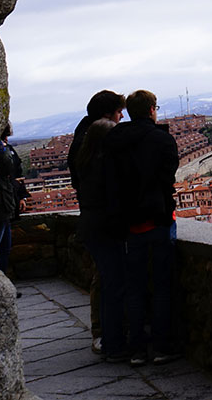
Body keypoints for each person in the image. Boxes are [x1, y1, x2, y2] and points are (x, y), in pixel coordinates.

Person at [105, 89, 179, 366]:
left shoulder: (114, 140)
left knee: (133, 288)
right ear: (151, 110)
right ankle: (161, 346)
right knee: (161, 286)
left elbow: (109, 182)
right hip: (157, 220)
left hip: (127, 224)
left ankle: (136, 349)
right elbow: (167, 177)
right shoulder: (161, 140)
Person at [68, 90, 125, 354]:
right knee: (106, 279)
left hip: (92, 221)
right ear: (106, 116)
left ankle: (105, 333)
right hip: (101, 222)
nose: (121, 117)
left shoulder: (84, 139)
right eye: (117, 112)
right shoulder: (94, 144)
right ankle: (103, 334)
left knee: (105, 277)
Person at [0, 123, 27, 274]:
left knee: (4, 248)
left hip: (7, 203)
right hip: (2, 204)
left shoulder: (7, 149)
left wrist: (21, 196)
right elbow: (9, 168)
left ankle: (2, 283)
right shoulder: (2, 150)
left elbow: (17, 173)